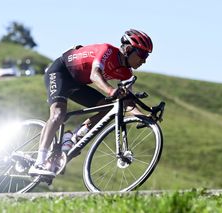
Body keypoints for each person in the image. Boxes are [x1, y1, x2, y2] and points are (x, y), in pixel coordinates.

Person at [29, 29, 153, 176]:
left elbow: (127, 101)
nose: (144, 60)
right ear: (128, 49)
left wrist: (143, 117)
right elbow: (95, 75)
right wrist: (111, 91)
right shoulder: (107, 51)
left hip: (78, 83)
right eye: (142, 55)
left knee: (108, 109)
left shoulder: (127, 73)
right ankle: (39, 162)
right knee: (58, 114)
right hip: (60, 72)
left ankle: (72, 138)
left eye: (147, 56)